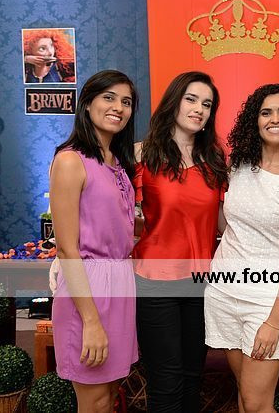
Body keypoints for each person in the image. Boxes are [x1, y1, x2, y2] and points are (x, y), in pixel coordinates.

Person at [205, 84, 279, 412]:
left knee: (257, 403)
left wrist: (273, 322)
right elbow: (230, 225)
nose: (275, 119)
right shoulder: (238, 168)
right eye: (266, 112)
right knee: (246, 397)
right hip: (223, 293)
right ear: (254, 121)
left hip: (266, 302)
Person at [132, 72, 228, 412]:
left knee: (191, 379)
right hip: (154, 282)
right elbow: (117, 216)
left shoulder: (215, 160)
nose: (199, 109)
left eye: (207, 104)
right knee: (166, 382)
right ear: (174, 101)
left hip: (201, 283)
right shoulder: (142, 155)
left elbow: (225, 224)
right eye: (191, 99)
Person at [50, 70, 138, 412]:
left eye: (126, 102)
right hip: (88, 288)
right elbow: (66, 247)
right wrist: (90, 320)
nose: (118, 107)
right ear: (87, 103)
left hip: (120, 282)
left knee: (108, 395)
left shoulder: (117, 163)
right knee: (95, 401)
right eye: (109, 97)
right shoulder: (70, 160)